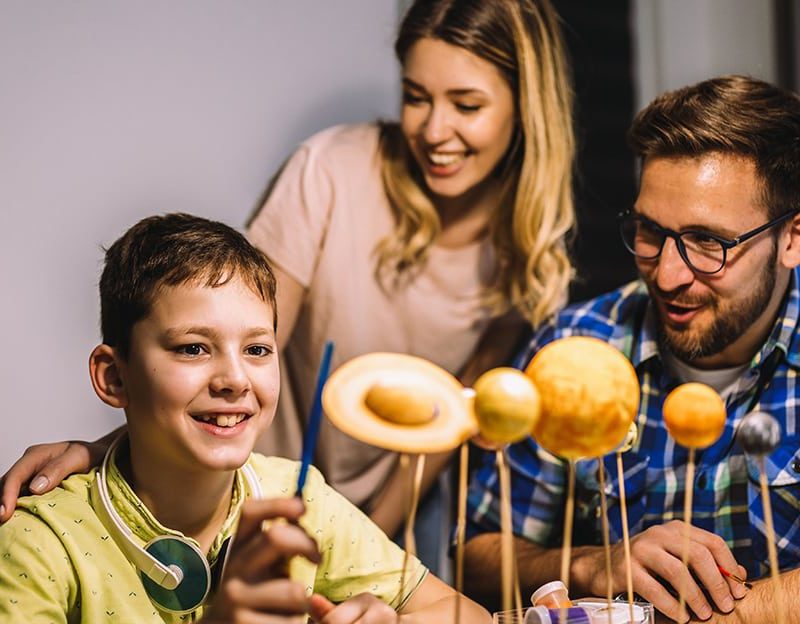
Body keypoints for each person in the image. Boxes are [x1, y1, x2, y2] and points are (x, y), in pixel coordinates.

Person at [0, 0, 576, 574]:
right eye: (416, 96)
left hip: (389, 504)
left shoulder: (528, 251)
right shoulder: (329, 170)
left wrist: (361, 541)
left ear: (526, 107)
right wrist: (105, 452)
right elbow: (229, 351)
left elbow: (444, 428)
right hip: (256, 483)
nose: (433, 130)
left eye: (467, 105)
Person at [0, 212, 489, 623]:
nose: (235, 378)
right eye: (192, 348)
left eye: (257, 349)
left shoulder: (300, 503)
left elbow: (466, 613)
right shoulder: (39, 543)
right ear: (114, 377)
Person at [463, 74, 800, 623]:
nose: (667, 275)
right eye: (649, 231)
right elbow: (475, 554)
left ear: (791, 238)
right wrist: (593, 565)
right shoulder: (576, 346)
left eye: (707, 241)